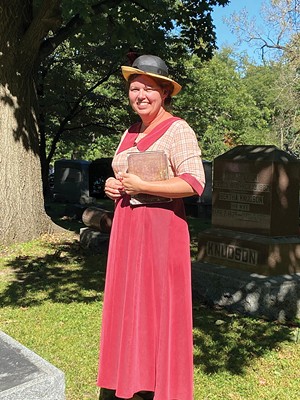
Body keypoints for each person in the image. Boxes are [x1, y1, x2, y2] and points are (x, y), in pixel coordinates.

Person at [97, 54, 206, 400]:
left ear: (164, 93)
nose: (140, 95)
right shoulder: (130, 132)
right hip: (127, 228)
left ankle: (158, 383)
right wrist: (112, 186)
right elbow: (123, 176)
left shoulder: (178, 129)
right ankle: (125, 375)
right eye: (134, 88)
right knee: (128, 302)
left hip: (161, 232)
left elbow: (194, 183)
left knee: (157, 306)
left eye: (149, 89)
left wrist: (142, 187)